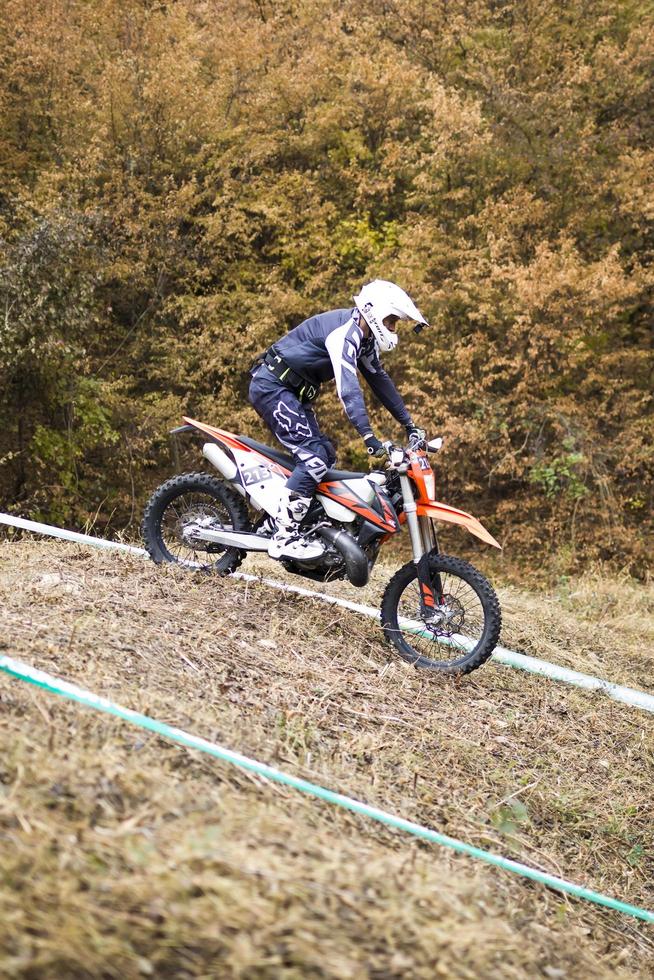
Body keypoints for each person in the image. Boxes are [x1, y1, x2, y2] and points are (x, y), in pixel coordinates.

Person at [248, 279, 428, 561]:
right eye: (392, 320)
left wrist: (409, 424)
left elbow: (380, 381)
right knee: (314, 459)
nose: (394, 328)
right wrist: (368, 436)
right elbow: (348, 389)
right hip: (273, 386)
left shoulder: (364, 339)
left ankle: (278, 520)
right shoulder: (346, 334)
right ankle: (284, 535)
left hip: (293, 392)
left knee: (326, 454)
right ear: (375, 312)